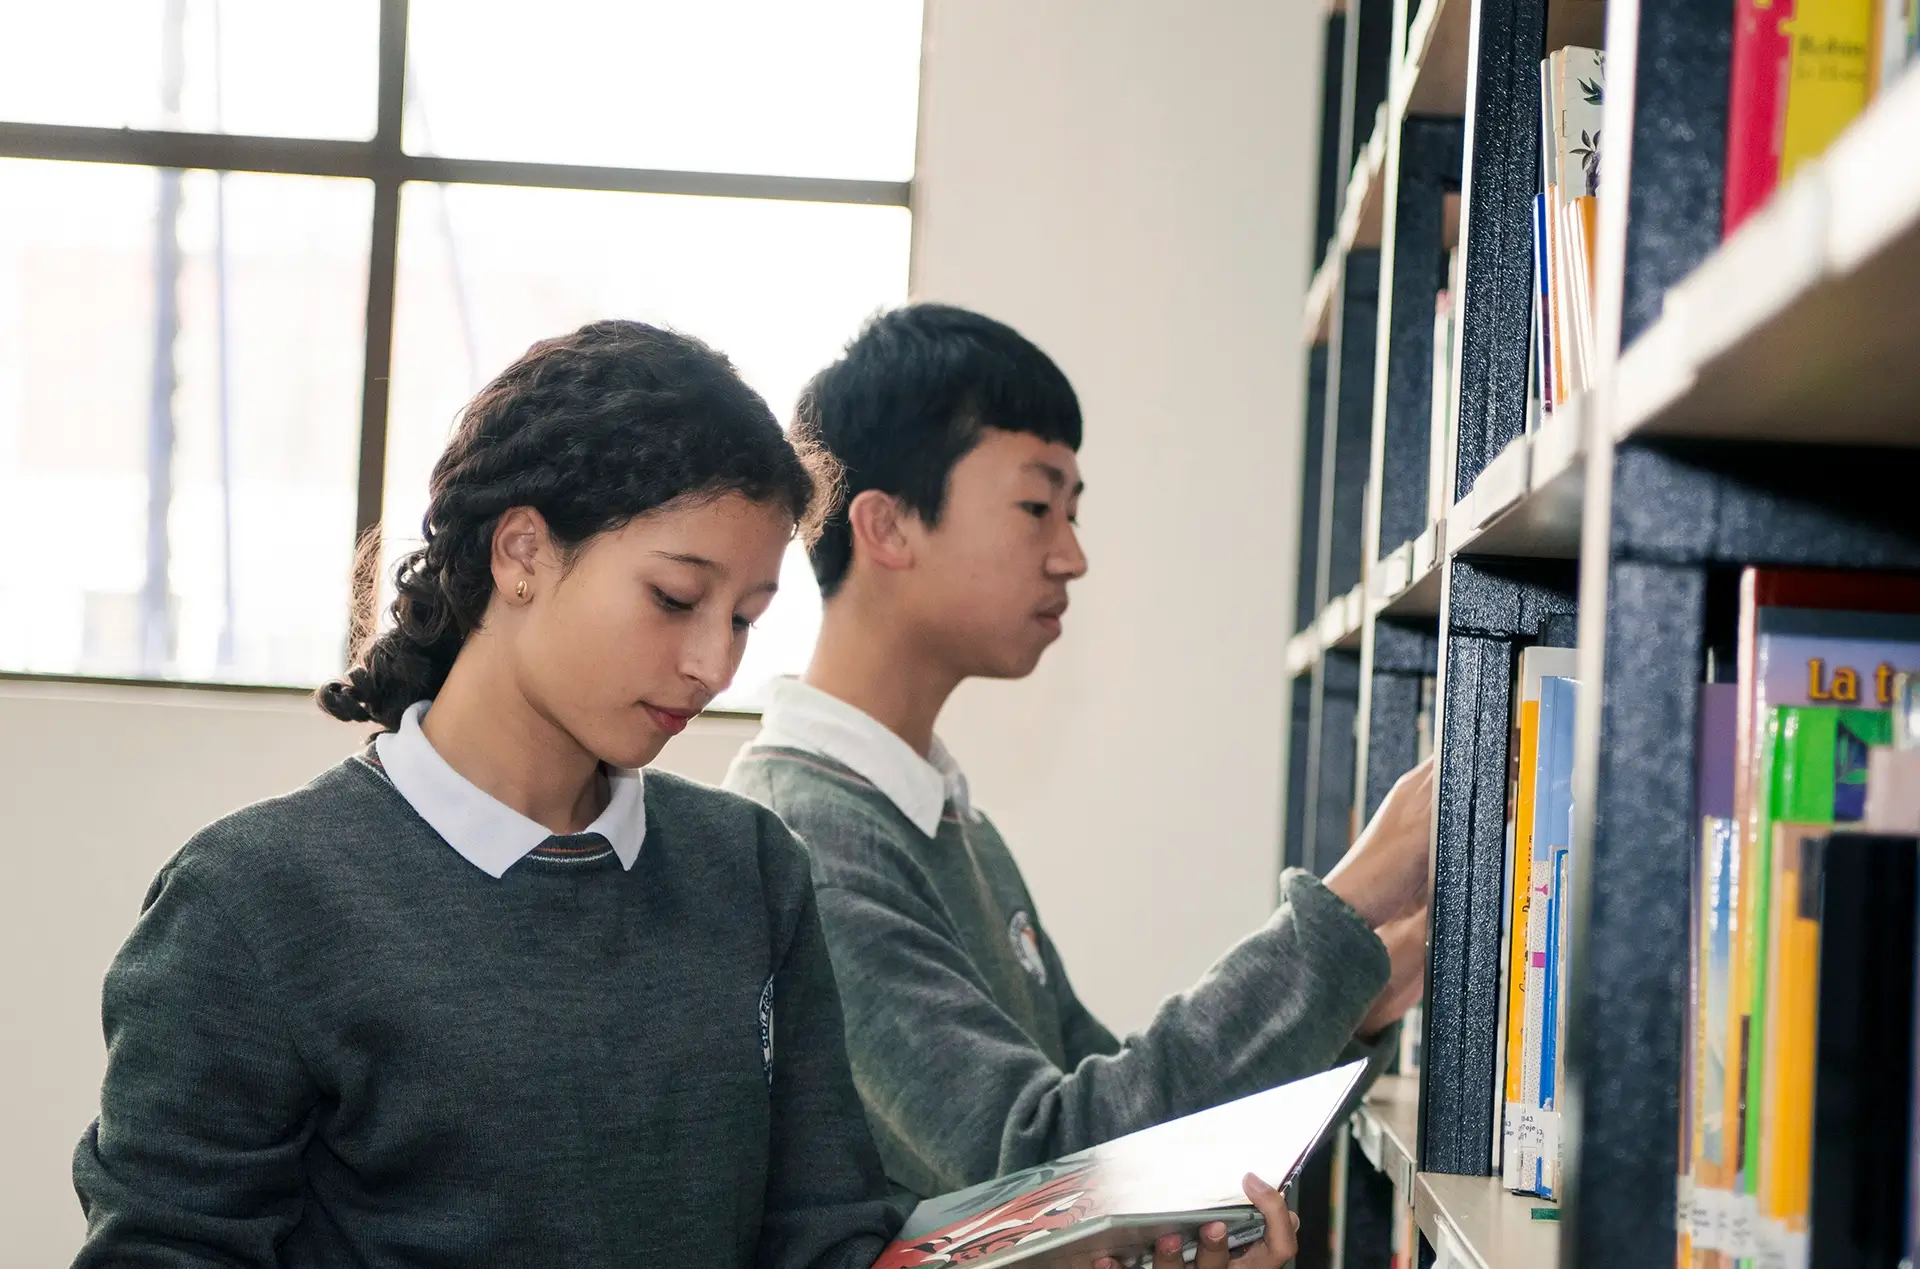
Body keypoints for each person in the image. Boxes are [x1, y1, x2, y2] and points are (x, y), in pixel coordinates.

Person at [71, 321, 904, 1268]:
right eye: (676, 598)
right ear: (521, 553)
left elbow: (828, 1232)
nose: (714, 663)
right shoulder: (251, 901)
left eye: (746, 619)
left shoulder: (750, 870)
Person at [724, 303, 1434, 1204]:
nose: (1072, 555)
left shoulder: (941, 818)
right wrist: (1346, 904)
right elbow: (1050, 1164)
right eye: (1036, 505)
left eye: (1073, 510)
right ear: (888, 527)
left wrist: (1350, 1002)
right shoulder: (804, 845)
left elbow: (1116, 1103)